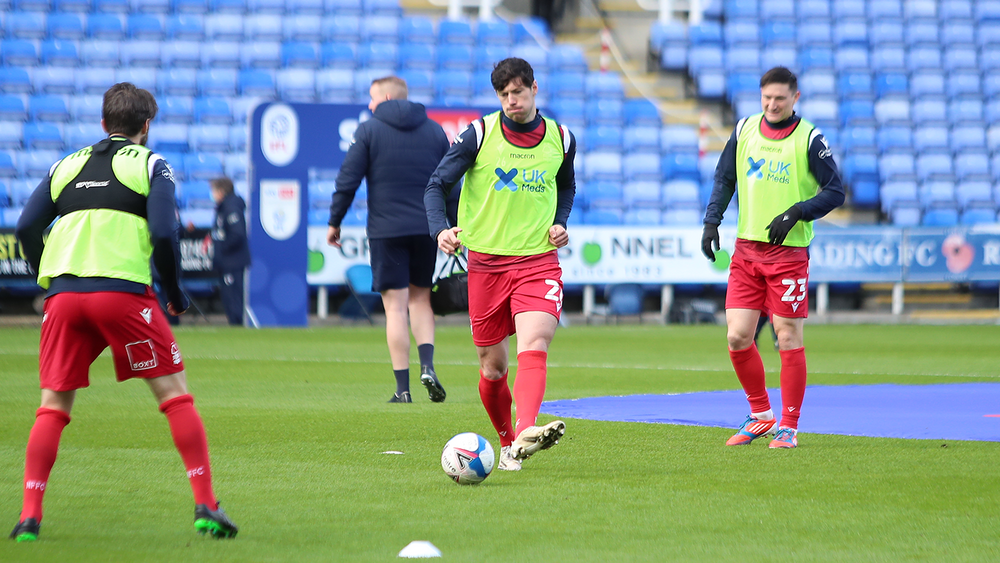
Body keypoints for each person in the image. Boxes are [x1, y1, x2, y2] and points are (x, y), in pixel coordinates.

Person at [10, 82, 237, 542]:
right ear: (146, 126)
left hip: (64, 298)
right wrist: (173, 290)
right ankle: (206, 504)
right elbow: (163, 229)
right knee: (175, 396)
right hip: (121, 293)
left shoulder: (65, 165)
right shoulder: (152, 164)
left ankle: (29, 517)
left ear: (102, 124)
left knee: (52, 406)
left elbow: (26, 225)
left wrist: (45, 273)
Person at [424, 57, 576, 471]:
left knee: (535, 342)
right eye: (504, 94)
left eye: (518, 92)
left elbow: (566, 184)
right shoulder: (479, 133)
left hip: (537, 262)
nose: (512, 100)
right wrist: (441, 229)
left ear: (534, 89)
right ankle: (508, 442)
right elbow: (437, 185)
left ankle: (527, 429)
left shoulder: (561, 138)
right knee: (493, 368)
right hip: (486, 266)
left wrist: (560, 221)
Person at [701, 66, 846, 449]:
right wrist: (711, 221)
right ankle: (761, 415)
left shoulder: (810, 138)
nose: (772, 105)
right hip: (747, 251)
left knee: (787, 337)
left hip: (789, 255)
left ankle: (789, 427)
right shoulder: (745, 129)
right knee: (736, 336)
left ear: (794, 98)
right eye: (766, 98)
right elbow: (724, 178)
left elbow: (835, 191)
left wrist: (797, 211)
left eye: (780, 98)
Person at [328, 76, 450, 404]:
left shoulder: (368, 130)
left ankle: (403, 389)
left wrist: (334, 221)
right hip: (427, 228)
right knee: (420, 300)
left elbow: (347, 181)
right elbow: (451, 180)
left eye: (371, 98)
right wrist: (452, 226)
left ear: (383, 96)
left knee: (394, 308)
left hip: (386, 231)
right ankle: (428, 366)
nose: (369, 105)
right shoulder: (435, 131)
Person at [210, 176, 250, 326]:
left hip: (232, 261)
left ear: (221, 191)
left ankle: (237, 325)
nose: (212, 194)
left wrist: (222, 248)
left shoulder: (231, 207)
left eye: (214, 191)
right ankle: (234, 323)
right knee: (228, 296)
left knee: (233, 297)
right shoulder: (224, 207)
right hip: (227, 261)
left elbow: (237, 234)